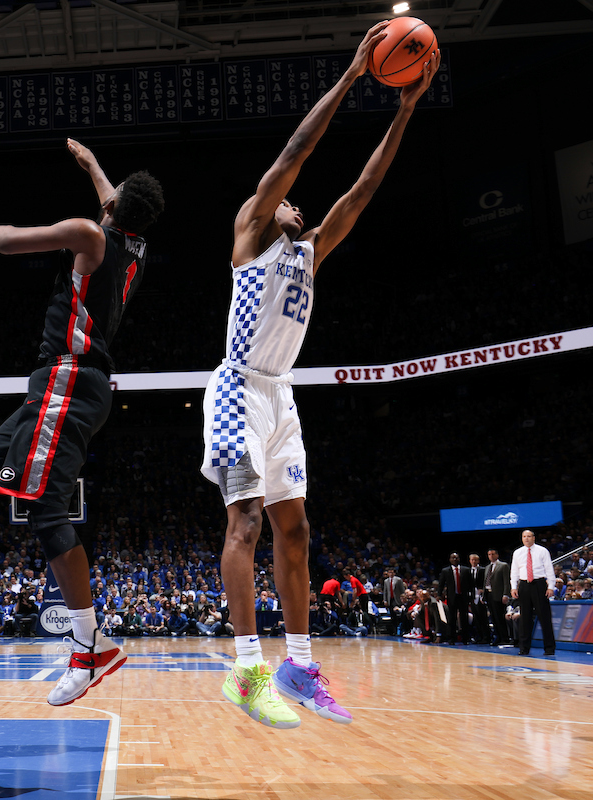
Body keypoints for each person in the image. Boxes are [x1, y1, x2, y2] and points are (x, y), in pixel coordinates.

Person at [200, 20, 439, 729]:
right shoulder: (251, 232)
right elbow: (297, 150)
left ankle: (297, 666)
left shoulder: (311, 248)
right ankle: (244, 672)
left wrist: (404, 112)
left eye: (296, 207)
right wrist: (353, 76)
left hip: (281, 397)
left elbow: (363, 188)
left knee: (296, 531)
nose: (294, 206)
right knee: (243, 522)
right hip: (238, 388)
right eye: (284, 202)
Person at [0, 138, 164, 707]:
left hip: (69, 380)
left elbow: (7, 243)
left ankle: (89, 643)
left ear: (113, 209)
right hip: (62, 384)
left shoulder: (88, 232)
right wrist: (95, 166)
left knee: (45, 509)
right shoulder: (135, 244)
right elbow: (111, 204)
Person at [510, 530, 556, 656]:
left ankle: (549, 648)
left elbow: (549, 569)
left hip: (539, 584)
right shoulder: (517, 553)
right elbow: (514, 571)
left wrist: (550, 586)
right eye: (524, 536)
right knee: (524, 618)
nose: (526, 538)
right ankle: (524, 648)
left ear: (534, 538)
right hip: (524, 585)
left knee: (544, 617)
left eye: (529, 536)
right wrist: (514, 587)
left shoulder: (542, 551)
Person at [438, 553, 472, 645]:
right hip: (452, 597)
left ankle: (465, 638)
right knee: (451, 618)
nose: (455, 559)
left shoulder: (466, 570)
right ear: (450, 559)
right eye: (453, 558)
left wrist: (471, 595)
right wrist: (439, 594)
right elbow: (441, 584)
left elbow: (471, 584)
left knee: (464, 618)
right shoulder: (445, 571)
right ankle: (451, 638)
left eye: (456, 557)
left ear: (459, 559)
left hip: (463, 597)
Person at [485, 549, 512, 646]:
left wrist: (505, 594)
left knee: (500, 617)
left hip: (499, 595)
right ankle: (498, 636)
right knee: (493, 617)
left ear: (497, 554)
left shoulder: (503, 565)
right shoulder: (488, 567)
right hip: (489, 594)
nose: (491, 556)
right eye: (489, 554)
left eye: (493, 554)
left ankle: (505, 637)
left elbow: (506, 581)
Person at [468, 553, 489, 644]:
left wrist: (483, 591)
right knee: (476, 618)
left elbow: (486, 582)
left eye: (475, 560)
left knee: (483, 617)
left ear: (478, 561)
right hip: (472, 597)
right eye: (472, 560)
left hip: (481, 597)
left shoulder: (483, 570)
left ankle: (486, 637)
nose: (473, 561)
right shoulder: (468, 571)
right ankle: (479, 637)